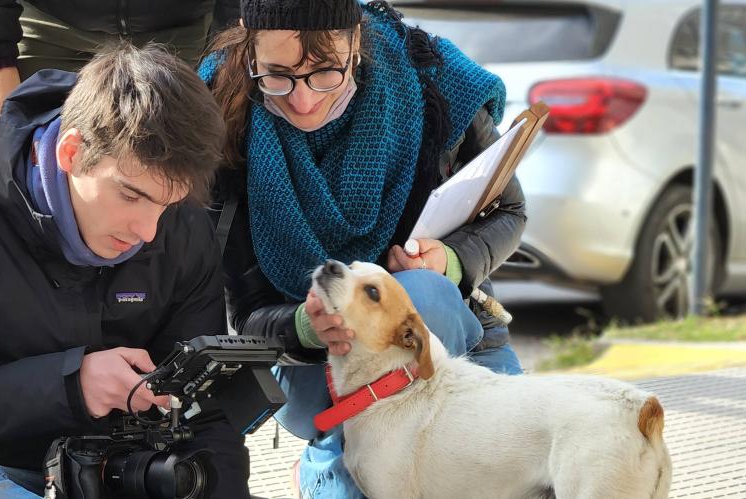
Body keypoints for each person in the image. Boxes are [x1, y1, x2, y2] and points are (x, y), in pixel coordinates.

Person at [0, 44, 251, 498]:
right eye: (131, 196)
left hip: (129, 477)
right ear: (71, 152)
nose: (148, 231)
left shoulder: (184, 228)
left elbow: (205, 418)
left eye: (166, 204)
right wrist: (70, 385)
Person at [200, 0, 527, 496]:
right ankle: (332, 454)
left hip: (446, 339)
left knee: (422, 295)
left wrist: (451, 260)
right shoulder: (215, 114)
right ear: (248, 45)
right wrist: (308, 326)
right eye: (277, 75)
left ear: (357, 40)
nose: (304, 101)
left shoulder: (433, 79)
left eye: (326, 72)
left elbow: (509, 210)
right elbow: (244, 313)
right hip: (310, 364)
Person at [0, 0, 240, 158]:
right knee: (27, 167)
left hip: (179, 30)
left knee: (166, 173)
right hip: (47, 26)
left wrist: (229, 43)